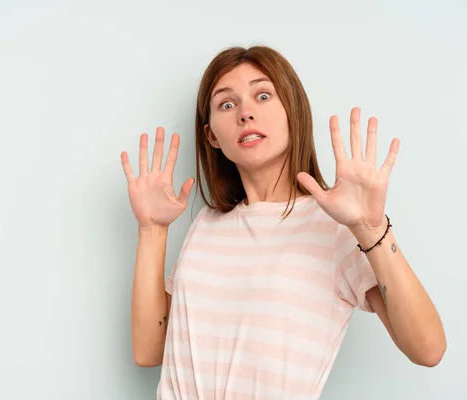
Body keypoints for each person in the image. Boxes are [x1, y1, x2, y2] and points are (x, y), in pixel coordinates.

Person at [120, 45, 446, 399]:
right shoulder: (206, 225)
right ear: (211, 136)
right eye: (226, 104)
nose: (245, 113)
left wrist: (370, 228)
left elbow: (428, 349)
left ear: (293, 111)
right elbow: (150, 351)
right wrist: (152, 230)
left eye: (263, 96)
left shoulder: (332, 225)